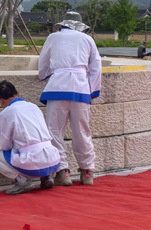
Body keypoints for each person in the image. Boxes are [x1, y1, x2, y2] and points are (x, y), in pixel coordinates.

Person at [38, 11, 101, 186]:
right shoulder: (88, 40)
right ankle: (87, 171)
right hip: (80, 89)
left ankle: (62, 170)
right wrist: (93, 91)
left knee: (54, 130)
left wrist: (44, 75)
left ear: (63, 23)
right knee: (81, 131)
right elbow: (95, 67)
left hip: (57, 87)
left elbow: (43, 63)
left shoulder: (53, 37)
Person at [0, 80, 61, 195]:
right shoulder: (33, 106)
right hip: (53, 158)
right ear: (18, 93)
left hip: (32, 163)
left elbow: (2, 145)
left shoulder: (6, 113)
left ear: (1, 101)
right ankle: (46, 177)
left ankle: (22, 181)